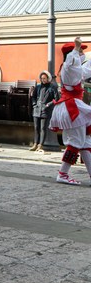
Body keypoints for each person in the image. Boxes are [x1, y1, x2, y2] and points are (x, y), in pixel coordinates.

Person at [49, 38, 91, 185]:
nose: (82, 53)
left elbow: (84, 70)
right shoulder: (69, 66)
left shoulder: (74, 69)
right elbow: (73, 65)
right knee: (76, 142)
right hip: (72, 108)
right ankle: (62, 174)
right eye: (80, 50)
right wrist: (75, 49)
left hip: (73, 107)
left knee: (85, 141)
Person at [29, 70, 59, 152]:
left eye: (44, 78)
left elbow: (56, 99)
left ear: (48, 78)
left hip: (45, 110)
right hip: (37, 109)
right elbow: (33, 97)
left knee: (43, 128)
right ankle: (35, 143)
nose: (43, 80)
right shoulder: (38, 87)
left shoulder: (52, 87)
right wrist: (34, 104)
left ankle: (40, 145)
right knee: (36, 127)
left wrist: (48, 105)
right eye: (42, 78)